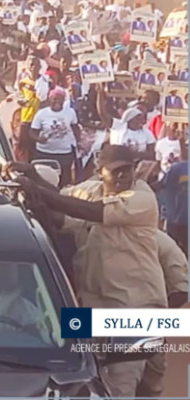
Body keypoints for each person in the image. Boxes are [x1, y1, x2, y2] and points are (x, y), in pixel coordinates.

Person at [11, 145, 168, 398]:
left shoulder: (142, 197)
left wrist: (35, 188)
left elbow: (87, 211)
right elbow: (63, 200)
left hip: (135, 306)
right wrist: (32, 176)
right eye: (114, 172)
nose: (121, 178)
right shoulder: (93, 190)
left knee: (120, 387)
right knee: (86, 378)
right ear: (99, 171)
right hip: (94, 307)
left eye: (126, 171)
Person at [30, 88, 81, 187]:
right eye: (54, 99)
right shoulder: (41, 114)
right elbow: (32, 132)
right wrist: (39, 139)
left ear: (64, 100)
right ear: (49, 100)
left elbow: (75, 128)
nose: (56, 101)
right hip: (44, 153)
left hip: (64, 153)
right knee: (44, 180)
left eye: (60, 99)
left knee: (64, 181)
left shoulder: (70, 112)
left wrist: (78, 142)